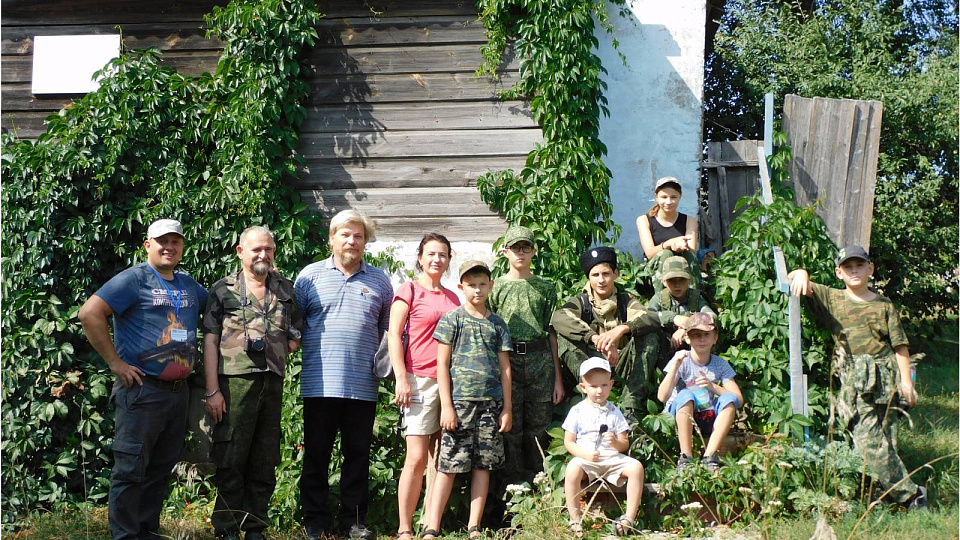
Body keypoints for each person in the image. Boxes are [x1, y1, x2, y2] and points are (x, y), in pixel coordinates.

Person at [78, 219, 207, 540]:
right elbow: (89, 313)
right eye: (162, 241)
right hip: (141, 390)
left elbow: (221, 306)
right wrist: (115, 363)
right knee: (131, 469)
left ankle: (146, 531)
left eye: (175, 241)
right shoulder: (133, 280)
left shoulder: (189, 286)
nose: (169, 247)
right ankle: (124, 535)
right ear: (147, 245)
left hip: (178, 394)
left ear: (182, 247)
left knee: (160, 469)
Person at [788, 245, 926, 509]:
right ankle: (911, 495)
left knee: (887, 441)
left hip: (886, 380)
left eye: (859, 265)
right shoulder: (833, 298)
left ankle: (884, 498)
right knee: (867, 441)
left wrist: (907, 382)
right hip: (854, 382)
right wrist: (802, 272)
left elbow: (900, 346)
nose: (854, 271)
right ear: (839, 272)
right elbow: (796, 278)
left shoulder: (884, 305)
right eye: (848, 267)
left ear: (870, 269)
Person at [294, 210, 393, 540]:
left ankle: (353, 522)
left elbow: (387, 332)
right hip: (319, 383)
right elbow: (294, 325)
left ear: (366, 241)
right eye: (345, 235)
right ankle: (316, 523)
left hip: (363, 386)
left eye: (359, 236)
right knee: (317, 456)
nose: (352, 241)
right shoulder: (308, 277)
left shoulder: (379, 281)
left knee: (357, 458)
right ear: (332, 238)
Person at [202, 226, 303, 540]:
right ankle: (227, 526)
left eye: (268, 249)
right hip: (234, 383)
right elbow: (209, 340)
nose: (263, 255)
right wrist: (212, 390)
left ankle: (255, 526)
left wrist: (292, 341)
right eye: (256, 249)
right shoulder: (223, 290)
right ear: (240, 252)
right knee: (231, 455)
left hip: (272, 382)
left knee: (265, 456)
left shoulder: (286, 288)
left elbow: (297, 326)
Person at [422, 261, 513, 540]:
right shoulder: (453, 319)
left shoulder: (498, 324)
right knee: (448, 465)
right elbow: (442, 365)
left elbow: (505, 367)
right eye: (471, 284)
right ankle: (431, 527)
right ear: (461, 287)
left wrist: (507, 408)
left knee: (483, 465)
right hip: (459, 404)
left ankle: (474, 526)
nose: (477, 289)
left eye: (482, 283)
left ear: (491, 286)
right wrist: (446, 406)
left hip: (490, 405)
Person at [390, 233, 460, 540]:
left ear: (448, 260)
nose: (437, 259)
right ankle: (405, 527)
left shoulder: (454, 298)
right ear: (420, 257)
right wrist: (401, 377)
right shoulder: (409, 290)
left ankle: (431, 526)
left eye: (442, 255)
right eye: (431, 253)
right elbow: (393, 335)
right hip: (417, 380)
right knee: (416, 457)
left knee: (441, 458)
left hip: (449, 383)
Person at [487, 226, 564, 496]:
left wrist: (557, 377)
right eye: (515, 247)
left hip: (540, 362)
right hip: (507, 364)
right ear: (505, 251)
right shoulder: (495, 287)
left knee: (539, 430)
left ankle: (541, 489)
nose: (521, 252)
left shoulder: (545, 287)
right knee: (510, 430)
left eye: (526, 247)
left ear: (534, 251)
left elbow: (552, 332)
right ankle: (510, 494)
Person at [551, 246, 659, 414]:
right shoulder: (581, 302)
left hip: (620, 365)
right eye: (595, 275)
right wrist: (594, 338)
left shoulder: (625, 301)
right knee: (564, 338)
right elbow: (559, 318)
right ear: (588, 277)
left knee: (650, 335)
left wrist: (622, 329)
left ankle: (630, 404)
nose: (601, 280)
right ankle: (591, 396)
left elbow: (650, 318)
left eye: (606, 274)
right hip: (590, 364)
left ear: (615, 274)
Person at [563, 357, 644, 538]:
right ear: (583, 387)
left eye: (604, 385)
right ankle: (575, 518)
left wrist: (616, 443)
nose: (599, 391)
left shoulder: (615, 411)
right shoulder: (577, 411)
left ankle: (628, 518)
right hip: (587, 459)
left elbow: (624, 444)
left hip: (612, 459)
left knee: (636, 467)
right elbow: (569, 442)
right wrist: (584, 454)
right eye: (593, 386)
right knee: (572, 469)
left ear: (611, 384)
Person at [656, 312, 743, 471]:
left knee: (729, 400)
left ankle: (709, 457)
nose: (701, 339)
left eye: (706, 335)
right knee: (686, 395)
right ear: (687, 338)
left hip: (705, 416)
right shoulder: (682, 360)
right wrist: (675, 365)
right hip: (679, 417)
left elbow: (738, 398)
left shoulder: (720, 364)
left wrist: (713, 387)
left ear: (715, 338)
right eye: (696, 335)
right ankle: (685, 458)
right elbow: (662, 397)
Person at [639, 255, 716, 376]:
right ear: (664, 282)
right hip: (665, 348)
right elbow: (649, 317)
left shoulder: (696, 297)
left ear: (689, 280)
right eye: (672, 280)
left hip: (691, 346)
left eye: (682, 280)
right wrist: (673, 318)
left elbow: (711, 316)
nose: (677, 285)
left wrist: (686, 328)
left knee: (706, 334)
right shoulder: (659, 298)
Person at [635, 176, 700, 291]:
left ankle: (693, 298)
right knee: (666, 254)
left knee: (688, 256)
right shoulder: (644, 220)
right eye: (664, 197)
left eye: (673, 197)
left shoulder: (690, 221)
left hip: (682, 268)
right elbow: (649, 253)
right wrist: (669, 244)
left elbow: (692, 251)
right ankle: (660, 300)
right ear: (656, 197)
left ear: (680, 196)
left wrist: (681, 247)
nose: (668, 202)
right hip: (655, 271)